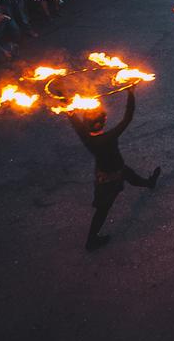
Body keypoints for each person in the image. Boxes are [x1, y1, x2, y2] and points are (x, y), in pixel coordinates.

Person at [67, 88, 161, 251]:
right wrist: (131, 93)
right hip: (110, 178)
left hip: (107, 172)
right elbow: (128, 118)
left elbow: (71, 115)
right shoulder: (107, 137)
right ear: (98, 124)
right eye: (102, 118)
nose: (104, 117)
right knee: (103, 210)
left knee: (131, 176)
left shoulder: (86, 136)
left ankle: (149, 183)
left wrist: (63, 96)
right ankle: (91, 241)